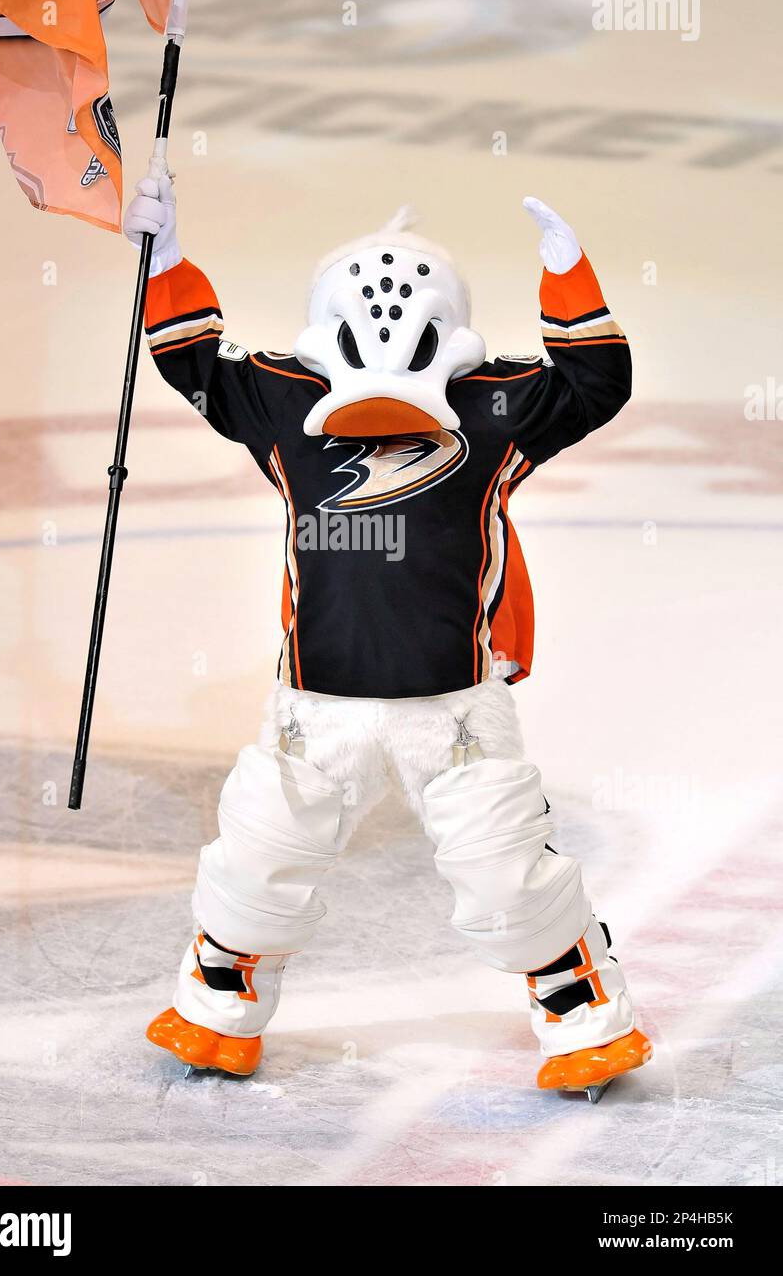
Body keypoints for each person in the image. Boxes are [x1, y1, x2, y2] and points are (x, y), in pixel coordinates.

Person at [123, 177, 652, 1096]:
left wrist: (568, 278)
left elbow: (595, 385)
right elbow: (194, 363)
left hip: (454, 708)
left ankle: (586, 1018)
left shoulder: (492, 409)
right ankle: (217, 1010)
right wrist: (164, 258)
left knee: (506, 876)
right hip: (312, 705)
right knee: (259, 855)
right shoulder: (286, 402)